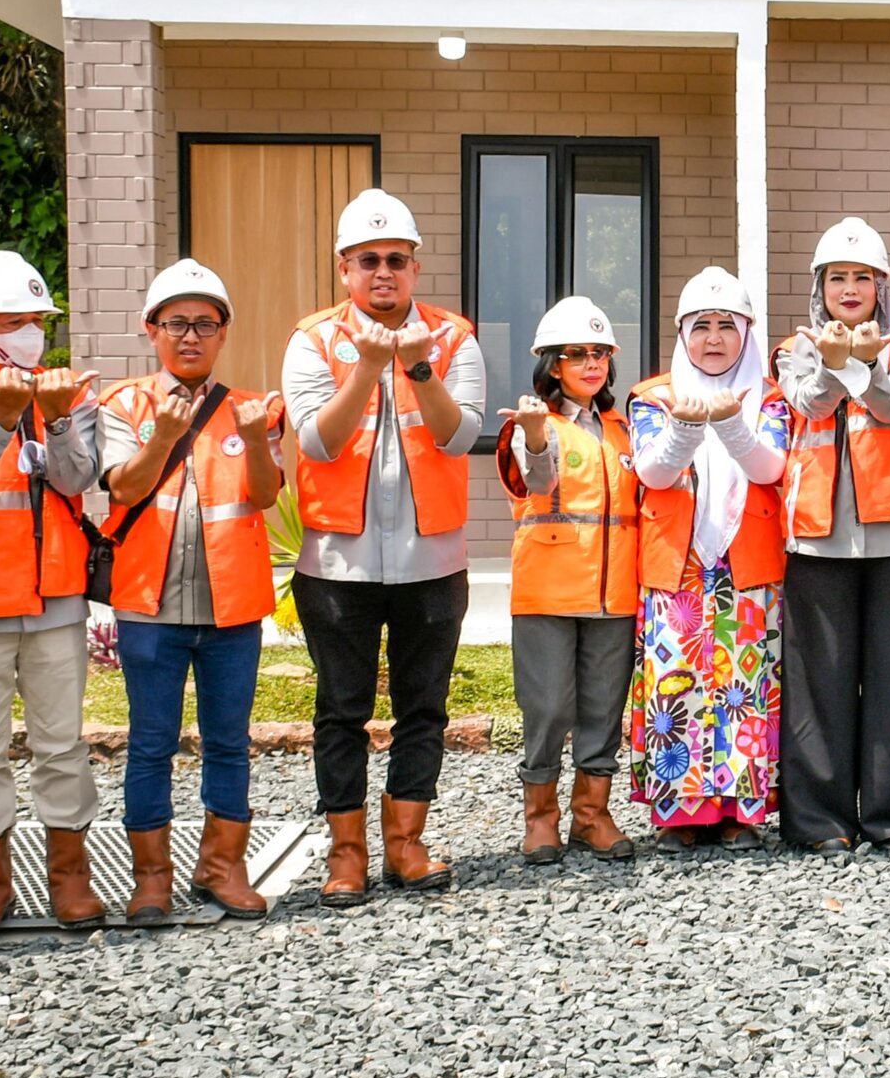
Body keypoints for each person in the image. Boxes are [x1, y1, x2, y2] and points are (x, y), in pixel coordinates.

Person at [282, 190, 487, 904]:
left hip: (432, 561)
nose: (382, 273)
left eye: (396, 260)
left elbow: (462, 436)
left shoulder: (453, 338)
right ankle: (346, 853)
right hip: (337, 562)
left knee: (422, 708)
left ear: (414, 267)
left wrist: (420, 368)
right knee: (341, 709)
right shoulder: (312, 340)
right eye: (367, 261)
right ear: (344, 269)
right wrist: (369, 367)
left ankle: (405, 843)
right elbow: (317, 440)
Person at [96, 261, 285, 921]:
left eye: (205, 323)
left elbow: (264, 495)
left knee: (229, 740)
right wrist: (166, 438)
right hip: (149, 605)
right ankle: (152, 878)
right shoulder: (124, 404)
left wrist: (259, 441)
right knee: (151, 741)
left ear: (224, 332)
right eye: (176, 322)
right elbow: (121, 486)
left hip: (232, 608)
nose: (190, 336)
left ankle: (222, 867)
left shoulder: (250, 410)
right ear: (152, 329)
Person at [0, 251, 109, 939]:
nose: (32, 333)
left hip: (56, 595)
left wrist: (59, 420)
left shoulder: (68, 391)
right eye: (16, 321)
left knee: (61, 745)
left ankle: (70, 879)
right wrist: (4, 418)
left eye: (38, 321)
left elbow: (75, 481)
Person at [777, 220, 890, 855]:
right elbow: (808, 405)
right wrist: (835, 367)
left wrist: (863, 365)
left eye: (860, 277)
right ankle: (820, 821)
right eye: (836, 277)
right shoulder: (795, 346)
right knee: (820, 683)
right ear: (820, 286)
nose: (848, 288)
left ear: (881, 286)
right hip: (817, 536)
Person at [627, 268, 790, 845]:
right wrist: (688, 427)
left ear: (747, 332)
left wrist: (730, 424)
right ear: (681, 332)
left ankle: (739, 813)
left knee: (744, 688)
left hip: (747, 566)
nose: (715, 338)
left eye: (728, 325)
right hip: (678, 567)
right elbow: (653, 472)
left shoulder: (770, 397)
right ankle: (680, 813)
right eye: (702, 326)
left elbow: (770, 468)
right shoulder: (651, 398)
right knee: (676, 685)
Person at [496, 295, 638, 866]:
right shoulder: (537, 424)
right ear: (553, 364)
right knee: (550, 708)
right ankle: (540, 818)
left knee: (604, 708)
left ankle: (592, 815)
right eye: (577, 353)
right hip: (548, 593)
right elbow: (535, 480)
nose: (592, 363)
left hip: (615, 593)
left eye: (600, 352)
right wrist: (532, 434)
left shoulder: (622, 428)